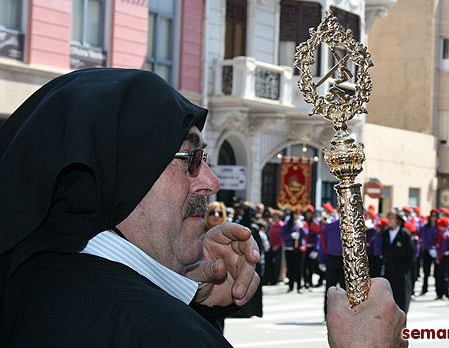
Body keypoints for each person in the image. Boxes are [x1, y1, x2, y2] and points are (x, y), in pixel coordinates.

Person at [0, 68, 405, 347]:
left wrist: (183, 287)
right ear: (124, 171)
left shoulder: (30, 281)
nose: (210, 182)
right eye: (190, 159)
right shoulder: (158, 334)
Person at [381, 209, 415, 313]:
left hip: (401, 266)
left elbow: (410, 252)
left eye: (392, 218)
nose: (389, 220)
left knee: (401, 291)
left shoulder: (404, 233)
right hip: (390, 265)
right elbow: (384, 248)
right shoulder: (386, 233)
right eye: (389, 218)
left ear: (398, 220)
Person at [281, 207, 308, 293]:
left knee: (299, 268)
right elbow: (283, 236)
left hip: (299, 248)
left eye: (298, 214)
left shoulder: (302, 223)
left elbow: (305, 234)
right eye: (295, 214)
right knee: (290, 267)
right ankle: (291, 285)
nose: (296, 216)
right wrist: (291, 236)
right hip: (290, 248)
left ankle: (299, 286)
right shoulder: (287, 225)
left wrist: (301, 227)